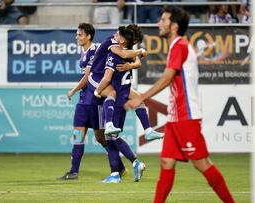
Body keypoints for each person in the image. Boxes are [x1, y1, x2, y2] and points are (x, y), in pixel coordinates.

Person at [125, 7, 235, 202]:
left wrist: (141, 97)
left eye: (163, 19)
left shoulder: (180, 45)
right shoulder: (177, 45)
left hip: (187, 116)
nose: (159, 22)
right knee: (166, 162)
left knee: (201, 163)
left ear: (174, 26)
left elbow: (168, 77)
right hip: (176, 118)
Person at [57, 23, 127, 180]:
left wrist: (73, 90)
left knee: (100, 138)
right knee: (78, 133)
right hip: (84, 100)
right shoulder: (83, 52)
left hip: (95, 99)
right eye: (77, 34)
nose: (77, 37)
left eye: (80, 34)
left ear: (88, 36)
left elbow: (88, 76)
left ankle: (120, 166)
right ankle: (74, 171)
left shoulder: (95, 50)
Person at [87, 25, 147, 183]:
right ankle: (131, 162)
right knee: (106, 136)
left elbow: (133, 61)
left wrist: (132, 64)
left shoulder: (120, 50)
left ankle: (118, 171)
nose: (115, 35)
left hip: (109, 90)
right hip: (108, 89)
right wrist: (139, 53)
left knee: (109, 135)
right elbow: (130, 56)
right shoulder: (117, 46)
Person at [94, 24, 164, 141]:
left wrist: (129, 65)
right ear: (132, 39)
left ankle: (148, 131)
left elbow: (137, 63)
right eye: (135, 41)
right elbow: (124, 55)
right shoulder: (114, 43)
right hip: (100, 79)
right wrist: (140, 50)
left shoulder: (125, 48)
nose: (135, 44)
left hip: (116, 84)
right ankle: (109, 125)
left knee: (138, 100)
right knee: (109, 135)